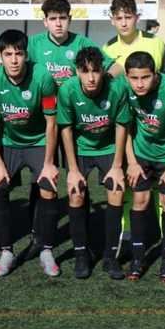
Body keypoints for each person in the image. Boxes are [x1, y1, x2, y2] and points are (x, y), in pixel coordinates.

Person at [26, 0, 116, 258]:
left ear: (69, 19)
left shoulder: (83, 43)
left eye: (62, 18)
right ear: (44, 22)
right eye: (52, 19)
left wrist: (97, 88)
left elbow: (115, 68)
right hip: (45, 123)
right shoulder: (33, 46)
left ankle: (83, 238)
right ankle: (40, 237)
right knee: (43, 180)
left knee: (78, 182)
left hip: (76, 126)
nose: (58, 24)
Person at [0, 30, 60, 278]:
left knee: (48, 185)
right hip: (8, 141)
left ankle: (46, 249)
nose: (13, 60)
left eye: (19, 54)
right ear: (0, 55)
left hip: (39, 141)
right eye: (8, 54)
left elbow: (51, 122)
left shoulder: (42, 76)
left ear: (26, 55)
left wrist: (49, 163)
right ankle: (7, 251)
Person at [57, 47, 130, 280]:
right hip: (80, 148)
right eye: (85, 71)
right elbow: (65, 129)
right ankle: (81, 254)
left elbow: (122, 126)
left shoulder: (117, 88)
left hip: (108, 147)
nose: (91, 77)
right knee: (76, 193)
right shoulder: (68, 89)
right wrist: (73, 170)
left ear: (103, 71)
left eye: (96, 71)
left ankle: (110, 257)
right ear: (77, 71)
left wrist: (118, 166)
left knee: (117, 192)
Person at [123, 51, 165, 283]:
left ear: (155, 74)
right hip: (140, 154)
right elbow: (125, 127)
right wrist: (131, 162)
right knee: (140, 201)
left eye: (145, 77)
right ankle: (138, 258)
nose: (139, 84)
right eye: (134, 78)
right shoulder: (125, 89)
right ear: (127, 76)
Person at [103, 0, 165, 81]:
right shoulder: (107, 49)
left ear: (137, 18)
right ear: (112, 20)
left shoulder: (155, 42)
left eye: (128, 17)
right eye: (119, 18)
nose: (124, 23)